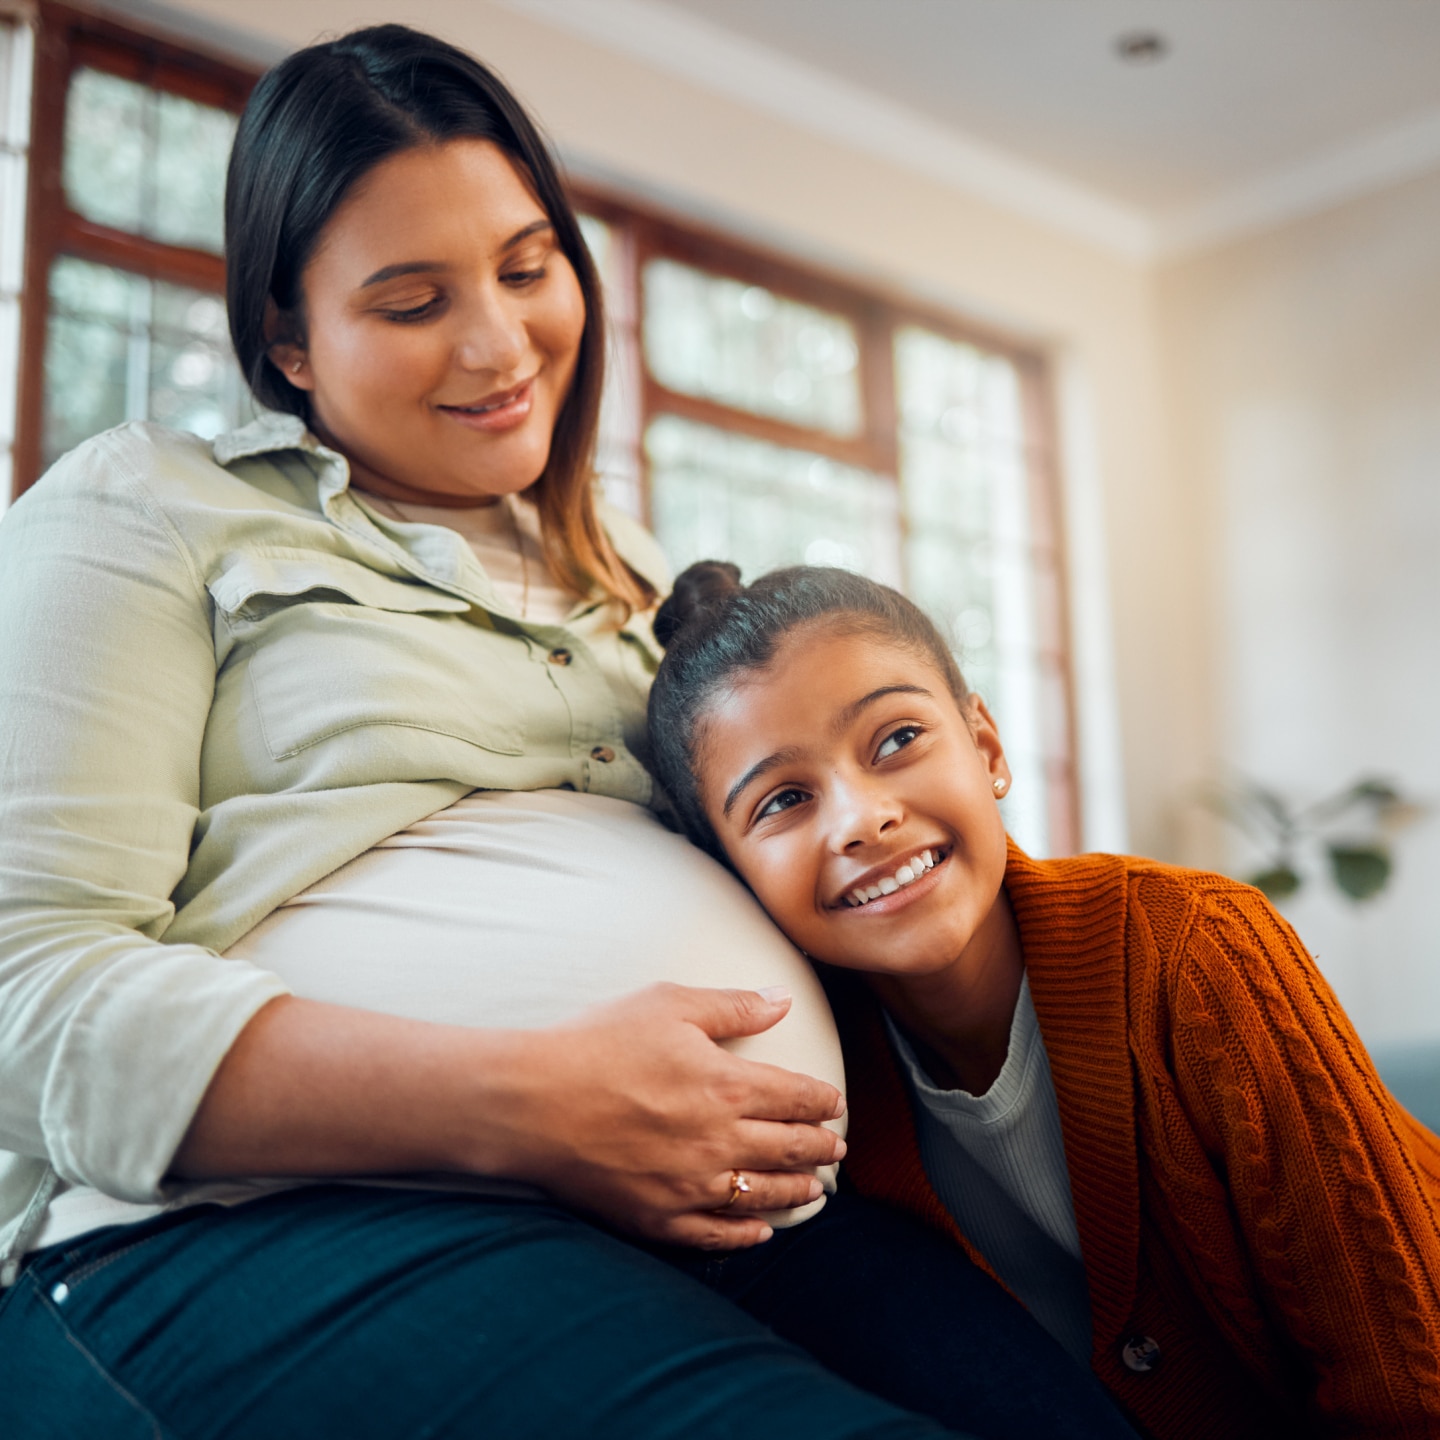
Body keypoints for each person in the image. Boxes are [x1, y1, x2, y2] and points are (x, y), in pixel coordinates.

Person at [0, 24, 1141, 1440]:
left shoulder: (646, 589)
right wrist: (525, 1100)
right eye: (412, 302)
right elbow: (23, 992)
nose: (499, 343)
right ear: (286, 339)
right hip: (266, 1216)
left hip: (734, 1214)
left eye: (529, 269)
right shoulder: (147, 508)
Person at [645, 559, 1440, 1440]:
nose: (862, 819)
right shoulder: (816, 1094)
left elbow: (1407, 1384)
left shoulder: (1197, 949)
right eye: (785, 799)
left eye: (897, 739)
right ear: (727, 872)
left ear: (986, 746)